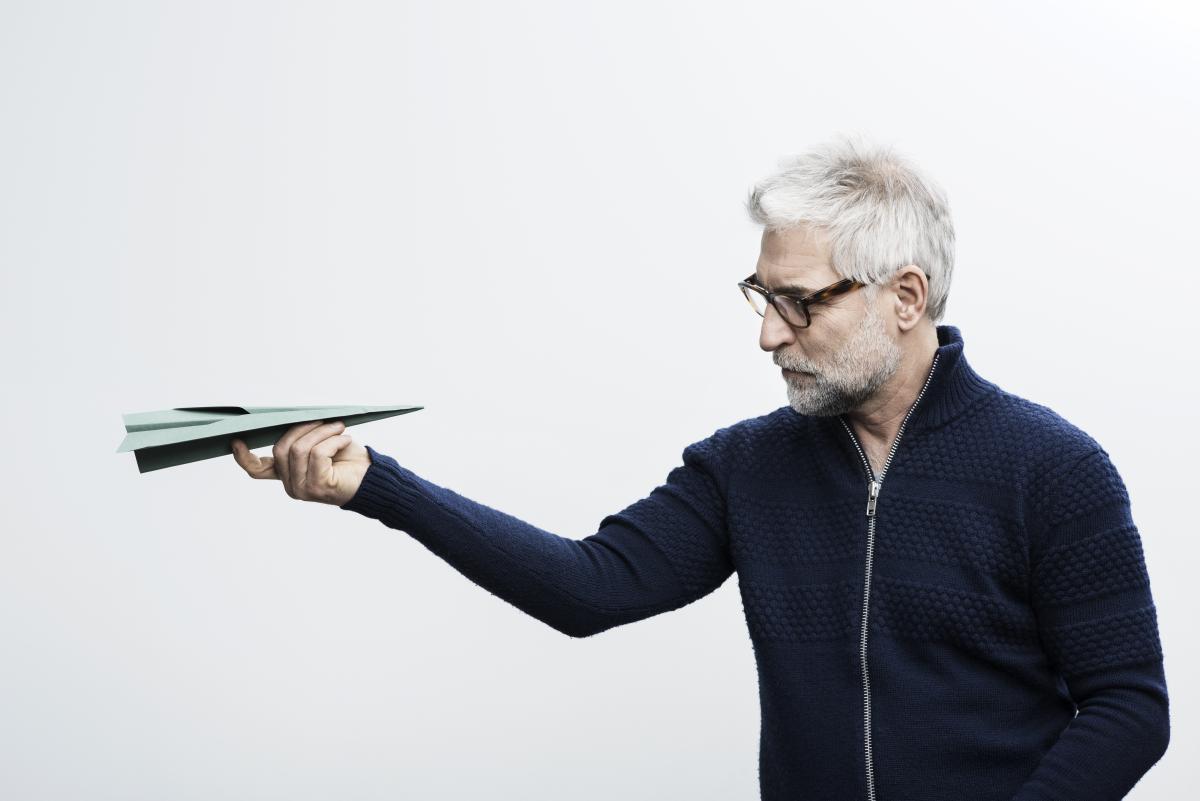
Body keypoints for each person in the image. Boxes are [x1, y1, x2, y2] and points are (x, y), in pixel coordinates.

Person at [230, 134, 1170, 801]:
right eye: (762, 297)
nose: (769, 335)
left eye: (800, 303)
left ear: (906, 296)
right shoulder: (746, 467)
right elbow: (587, 587)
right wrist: (377, 485)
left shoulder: (1052, 469)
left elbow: (1129, 704)